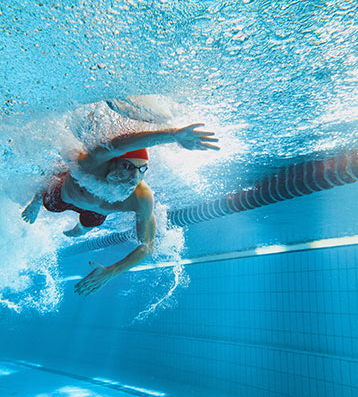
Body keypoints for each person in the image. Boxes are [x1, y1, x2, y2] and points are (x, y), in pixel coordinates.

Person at [21, 123, 219, 295]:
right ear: (112, 163)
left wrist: (112, 271)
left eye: (142, 171)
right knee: (50, 201)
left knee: (90, 223)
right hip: (65, 197)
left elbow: (147, 246)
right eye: (128, 167)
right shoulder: (92, 165)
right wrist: (172, 135)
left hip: (96, 213)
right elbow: (116, 147)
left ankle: (80, 229)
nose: (134, 178)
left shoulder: (141, 197)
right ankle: (36, 203)